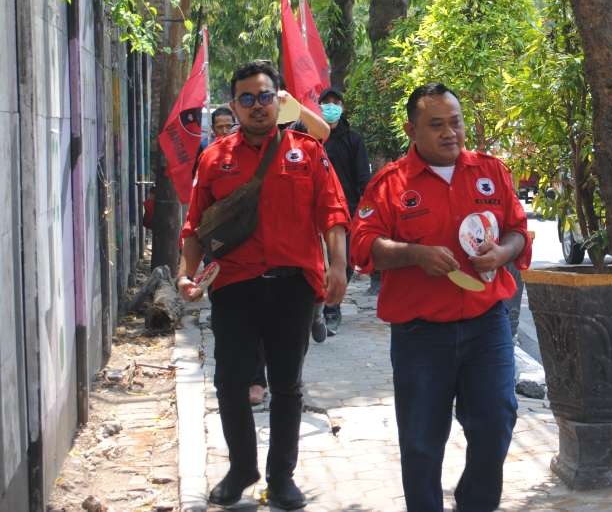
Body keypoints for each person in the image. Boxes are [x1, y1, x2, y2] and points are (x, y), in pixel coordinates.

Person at [177, 60, 349, 510]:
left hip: (292, 287)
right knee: (230, 382)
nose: (258, 106)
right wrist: (184, 273)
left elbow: (332, 213)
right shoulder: (215, 158)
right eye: (247, 99)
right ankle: (241, 468)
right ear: (234, 105)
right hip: (234, 286)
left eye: (265, 96)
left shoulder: (307, 151)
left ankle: (281, 476)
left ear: (280, 101)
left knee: (287, 384)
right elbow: (195, 226)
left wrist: (339, 266)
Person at [351, 83, 531, 512]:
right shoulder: (391, 184)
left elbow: (518, 231)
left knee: (496, 423)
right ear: (413, 131)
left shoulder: (490, 172)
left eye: (456, 122)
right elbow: (365, 247)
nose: (451, 132)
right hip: (420, 334)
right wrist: (415, 255)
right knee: (421, 443)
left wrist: (502, 253)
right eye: (437, 125)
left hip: (487, 324)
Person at [317, 87, 372, 335]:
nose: (330, 106)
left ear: (342, 107)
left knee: (344, 262)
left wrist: (365, 210)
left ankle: (332, 307)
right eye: (325, 102)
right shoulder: (311, 137)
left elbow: (363, 178)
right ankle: (317, 307)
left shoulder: (353, 140)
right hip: (314, 211)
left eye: (335, 102)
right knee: (317, 262)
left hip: (346, 212)